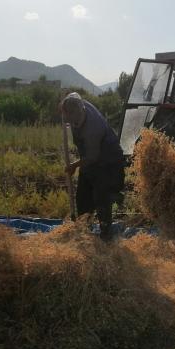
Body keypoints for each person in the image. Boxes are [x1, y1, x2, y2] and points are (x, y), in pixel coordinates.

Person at [60, 92, 125, 241]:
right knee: (83, 197)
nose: (69, 122)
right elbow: (73, 94)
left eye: (71, 119)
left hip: (108, 161)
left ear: (80, 112)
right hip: (91, 159)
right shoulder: (76, 102)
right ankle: (84, 231)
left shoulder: (93, 129)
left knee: (100, 197)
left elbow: (92, 157)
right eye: (68, 118)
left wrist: (74, 165)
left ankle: (106, 236)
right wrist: (62, 106)